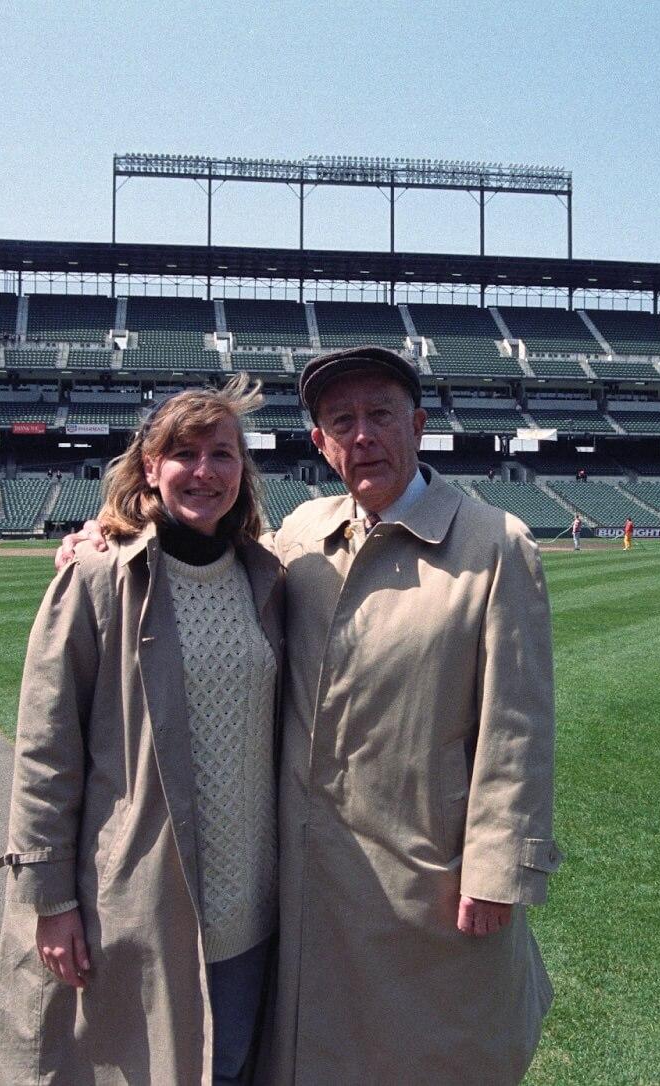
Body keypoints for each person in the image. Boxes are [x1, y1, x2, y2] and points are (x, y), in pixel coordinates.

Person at [58, 346, 559, 1084]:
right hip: (301, 876)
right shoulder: (298, 536)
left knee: (431, 1052)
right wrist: (106, 537)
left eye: (380, 415)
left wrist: (496, 868)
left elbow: (517, 724)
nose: (363, 435)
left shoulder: (495, 545)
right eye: (341, 421)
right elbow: (199, 551)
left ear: (417, 425)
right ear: (320, 444)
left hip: (425, 873)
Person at [0, 375, 283, 1085]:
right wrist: (50, 900)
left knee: (233, 1067)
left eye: (223, 454)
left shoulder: (265, 578)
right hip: (138, 903)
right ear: (150, 466)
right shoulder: (96, 579)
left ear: (243, 471)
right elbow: (44, 753)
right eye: (185, 453)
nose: (205, 472)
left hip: (248, 909)